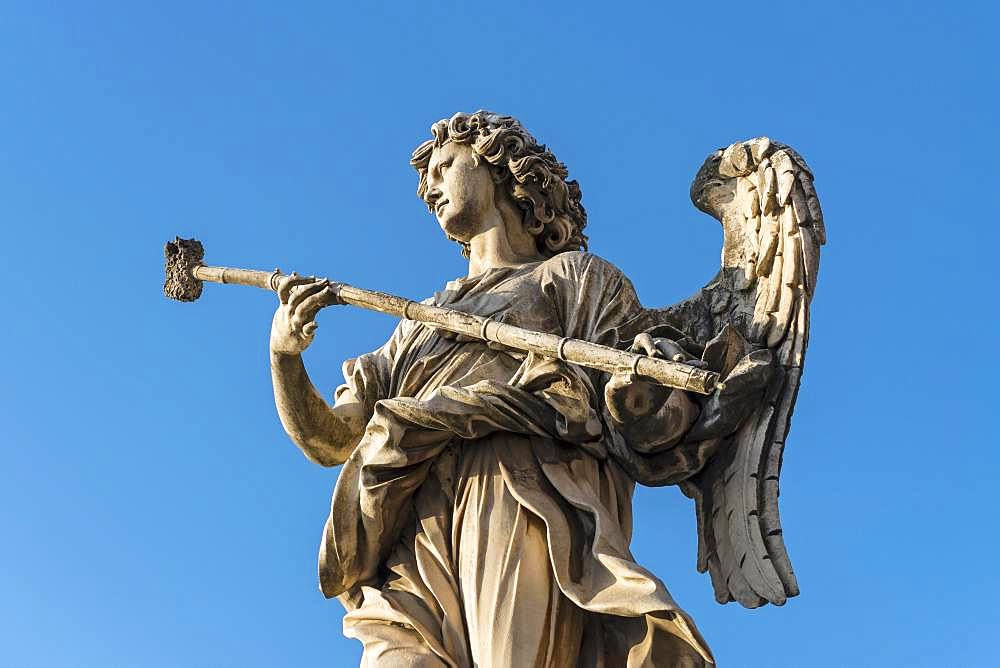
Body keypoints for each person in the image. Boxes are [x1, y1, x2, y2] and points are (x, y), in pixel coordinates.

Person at [268, 112, 735, 667]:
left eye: (445, 167)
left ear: (500, 167)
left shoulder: (574, 280)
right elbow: (330, 442)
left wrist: (640, 391)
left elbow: (642, 407)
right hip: (407, 516)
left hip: (517, 486)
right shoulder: (418, 323)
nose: (431, 187)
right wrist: (284, 356)